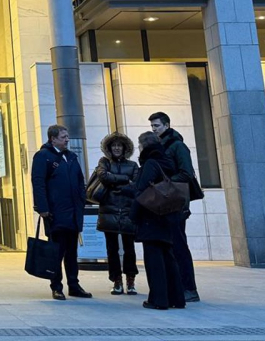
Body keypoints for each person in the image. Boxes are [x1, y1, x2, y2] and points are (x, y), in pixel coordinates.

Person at [30, 124, 91, 301]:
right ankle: (56, 286)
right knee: (56, 251)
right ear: (53, 139)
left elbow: (80, 181)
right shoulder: (43, 156)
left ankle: (74, 284)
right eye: (63, 137)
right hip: (55, 212)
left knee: (72, 251)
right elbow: (38, 183)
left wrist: (81, 200)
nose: (67, 140)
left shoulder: (71, 156)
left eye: (67, 136)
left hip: (73, 212)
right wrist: (43, 208)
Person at [150, 112, 203, 303]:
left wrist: (163, 183)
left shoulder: (177, 146)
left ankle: (189, 288)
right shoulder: (161, 146)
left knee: (179, 246)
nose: (154, 129)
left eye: (157, 126)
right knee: (171, 246)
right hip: (165, 202)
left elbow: (186, 173)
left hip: (175, 203)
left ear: (167, 125)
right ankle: (177, 287)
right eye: (152, 126)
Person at [131, 131, 186, 310]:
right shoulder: (166, 160)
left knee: (154, 260)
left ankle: (159, 299)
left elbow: (142, 190)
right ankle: (176, 298)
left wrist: (133, 215)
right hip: (168, 215)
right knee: (168, 257)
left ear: (143, 146)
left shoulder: (150, 163)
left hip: (152, 216)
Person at [86, 132, 139, 296]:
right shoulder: (104, 162)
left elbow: (137, 186)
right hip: (108, 210)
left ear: (124, 148)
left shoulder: (133, 165)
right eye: (114, 145)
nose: (116, 148)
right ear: (109, 148)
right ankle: (117, 280)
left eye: (119, 145)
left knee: (129, 249)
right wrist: (125, 179)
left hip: (128, 211)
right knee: (112, 249)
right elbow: (103, 176)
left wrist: (115, 183)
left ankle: (130, 280)